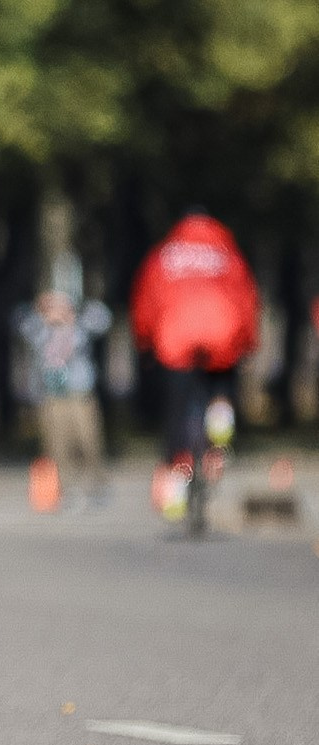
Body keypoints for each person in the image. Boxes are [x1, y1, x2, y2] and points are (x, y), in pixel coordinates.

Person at [129, 212, 259, 519]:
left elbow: (145, 298)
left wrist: (145, 341)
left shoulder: (164, 254)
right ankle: (221, 416)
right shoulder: (228, 254)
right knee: (222, 377)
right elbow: (247, 297)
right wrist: (248, 342)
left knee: (176, 414)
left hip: (176, 337)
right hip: (222, 332)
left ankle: (175, 485)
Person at [17, 289, 113, 503]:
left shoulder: (80, 327)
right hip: (52, 394)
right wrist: (39, 310)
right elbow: (20, 321)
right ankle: (67, 488)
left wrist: (76, 311)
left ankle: (97, 485)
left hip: (79, 393)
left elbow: (104, 318)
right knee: (57, 444)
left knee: (88, 440)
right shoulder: (40, 329)